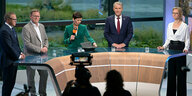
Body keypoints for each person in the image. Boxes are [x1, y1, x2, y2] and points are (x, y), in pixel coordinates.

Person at [22, 9, 48, 96]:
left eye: (38, 16)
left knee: (44, 74)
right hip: (30, 56)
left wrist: (45, 47)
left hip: (41, 56)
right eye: (35, 16)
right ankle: (33, 94)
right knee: (31, 78)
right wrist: (39, 49)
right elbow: (27, 44)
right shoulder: (26, 28)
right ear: (31, 17)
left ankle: (42, 93)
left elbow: (46, 39)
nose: (37, 18)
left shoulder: (42, 26)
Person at [0, 12, 25, 96]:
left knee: (11, 83)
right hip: (8, 62)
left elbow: (15, 44)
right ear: (7, 19)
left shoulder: (11, 29)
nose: (16, 21)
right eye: (14, 19)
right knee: (7, 85)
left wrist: (20, 52)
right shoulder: (4, 30)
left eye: (16, 19)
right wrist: (18, 56)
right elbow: (8, 47)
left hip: (13, 61)